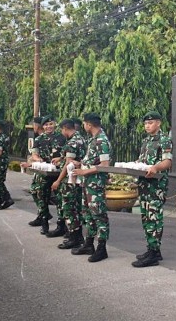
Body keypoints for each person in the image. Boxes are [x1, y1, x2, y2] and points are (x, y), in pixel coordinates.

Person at [132, 111, 173, 268]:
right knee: (146, 218)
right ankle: (153, 250)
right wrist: (136, 164)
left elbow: (167, 162)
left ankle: (153, 253)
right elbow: (143, 161)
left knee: (154, 218)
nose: (147, 126)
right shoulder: (146, 141)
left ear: (158, 123)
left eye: (150, 123)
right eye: (145, 124)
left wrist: (155, 167)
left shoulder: (164, 140)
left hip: (156, 187)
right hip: (145, 185)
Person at [71, 112, 112, 263]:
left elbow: (104, 165)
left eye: (84, 124)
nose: (83, 126)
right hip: (87, 184)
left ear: (88, 124)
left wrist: (84, 171)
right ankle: (89, 244)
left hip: (96, 185)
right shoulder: (93, 140)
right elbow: (92, 160)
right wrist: (80, 164)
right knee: (88, 213)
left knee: (99, 215)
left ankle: (102, 248)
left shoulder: (101, 141)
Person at [21, 116, 65, 234]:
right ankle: (44, 221)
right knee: (41, 196)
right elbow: (34, 154)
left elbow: (67, 154)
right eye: (46, 125)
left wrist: (60, 158)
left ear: (54, 124)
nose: (48, 127)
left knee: (60, 199)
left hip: (58, 172)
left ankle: (61, 225)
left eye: (50, 124)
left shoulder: (62, 137)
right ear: (43, 126)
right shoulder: (39, 139)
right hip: (44, 172)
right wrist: (37, 159)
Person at [51, 118, 87, 250]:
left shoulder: (72, 142)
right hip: (78, 180)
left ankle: (74, 237)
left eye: (62, 130)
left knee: (69, 209)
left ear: (65, 128)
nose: (62, 132)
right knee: (76, 208)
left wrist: (58, 181)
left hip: (70, 181)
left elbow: (68, 164)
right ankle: (77, 236)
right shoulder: (82, 139)